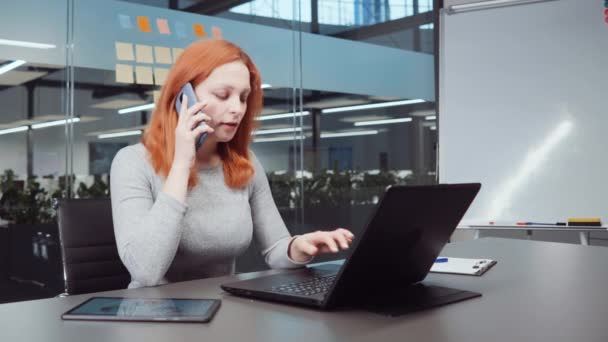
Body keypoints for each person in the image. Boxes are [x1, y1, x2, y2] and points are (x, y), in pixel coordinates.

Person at [110, 39, 354, 289]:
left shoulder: (244, 164)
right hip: (154, 317)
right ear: (184, 98)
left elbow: (275, 248)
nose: (237, 108)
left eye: (243, 97)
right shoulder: (132, 162)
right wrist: (182, 164)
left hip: (225, 311)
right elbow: (145, 271)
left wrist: (299, 248)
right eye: (222, 95)